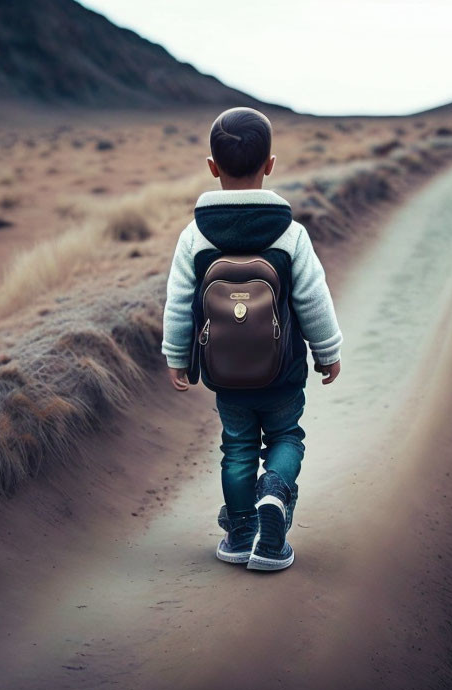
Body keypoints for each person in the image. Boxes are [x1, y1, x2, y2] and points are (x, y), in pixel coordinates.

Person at [161, 107, 342, 571]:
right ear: (270, 165)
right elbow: (313, 300)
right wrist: (328, 352)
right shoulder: (290, 233)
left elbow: (181, 303)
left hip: (227, 373)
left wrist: (177, 356)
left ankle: (241, 535)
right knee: (285, 435)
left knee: (237, 447)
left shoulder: (195, 236)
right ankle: (275, 496)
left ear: (212, 168)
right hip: (282, 370)